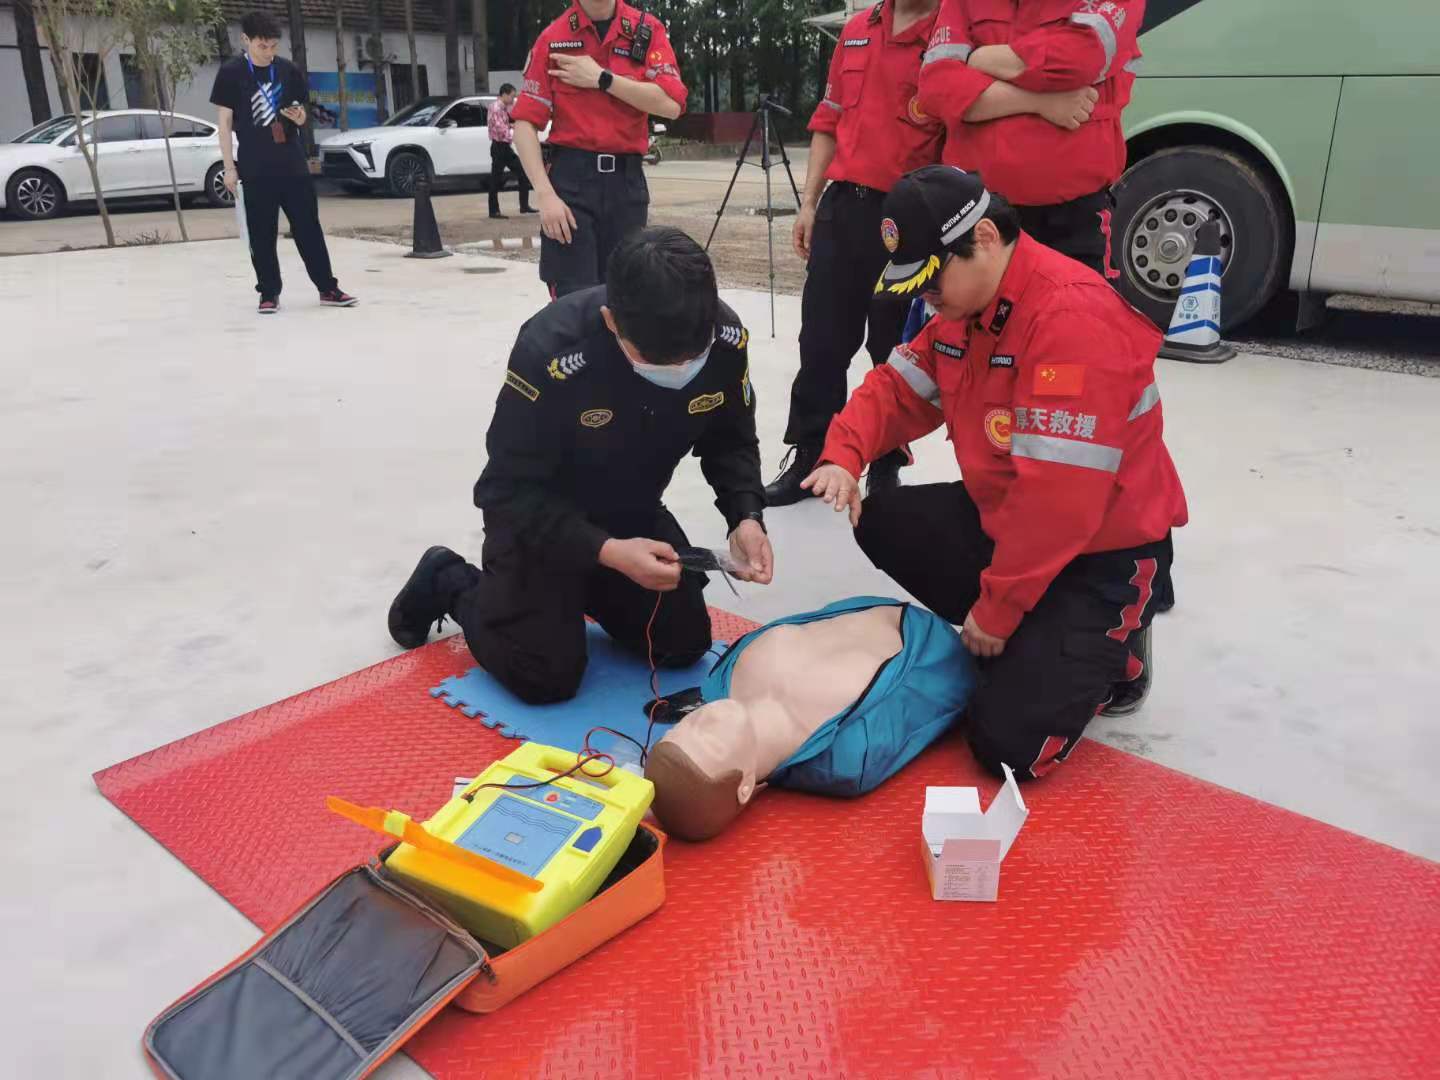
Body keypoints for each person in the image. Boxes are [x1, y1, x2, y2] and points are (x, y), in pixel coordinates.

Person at [803, 166, 1187, 780]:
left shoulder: (1070, 319)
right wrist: (843, 455)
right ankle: (1040, 634)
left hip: (1099, 552)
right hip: (1013, 519)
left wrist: (996, 610)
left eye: (933, 281)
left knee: (1008, 746)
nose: (926, 299)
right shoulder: (966, 307)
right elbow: (898, 389)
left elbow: (1060, 503)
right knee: (881, 520)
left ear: (983, 238)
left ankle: (1118, 646)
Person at [388, 227, 773, 704]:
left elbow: (731, 439)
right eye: (657, 361)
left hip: (630, 511)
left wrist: (745, 515)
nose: (679, 371)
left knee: (683, 644)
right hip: (542, 525)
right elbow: (504, 493)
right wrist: (605, 551)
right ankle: (450, 580)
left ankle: (582, 593)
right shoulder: (552, 351)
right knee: (544, 676)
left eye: (693, 358)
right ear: (612, 321)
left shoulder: (722, 338)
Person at [763, 0, 945, 508]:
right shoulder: (859, 29)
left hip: (908, 215)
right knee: (821, 340)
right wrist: (809, 202)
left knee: (894, 348)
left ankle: (885, 460)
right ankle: (811, 452)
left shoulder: (950, 31)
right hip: (843, 206)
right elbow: (829, 120)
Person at [646, 597, 973, 841]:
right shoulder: (848, 756)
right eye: (710, 741)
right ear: (744, 786)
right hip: (935, 642)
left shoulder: (723, 677)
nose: (702, 718)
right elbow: (932, 698)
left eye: (685, 726)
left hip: (882, 604)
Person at [916, 0, 1142, 276]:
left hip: (1072, 221)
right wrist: (1040, 103)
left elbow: (1079, 60)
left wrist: (980, 58)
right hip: (976, 213)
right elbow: (935, 88)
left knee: (1079, 303)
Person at [508, 0, 686, 298]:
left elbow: (672, 105)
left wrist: (603, 79)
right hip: (571, 186)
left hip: (626, 186)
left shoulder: (646, 31)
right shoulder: (553, 38)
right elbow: (525, 124)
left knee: (627, 295)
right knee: (573, 298)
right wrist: (545, 194)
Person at [210, 11, 356, 315]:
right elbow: (224, 124)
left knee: (308, 227)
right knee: (262, 232)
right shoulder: (231, 72)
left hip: (292, 162)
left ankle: (327, 288)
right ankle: (268, 293)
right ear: (246, 40)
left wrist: (300, 118)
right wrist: (229, 168)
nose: (269, 52)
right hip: (255, 165)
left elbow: (302, 115)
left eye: (273, 46)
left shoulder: (288, 70)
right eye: (262, 46)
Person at [487, 83, 535, 220]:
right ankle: (493, 211)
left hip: (505, 147)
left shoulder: (503, 108)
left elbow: (504, 124)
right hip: (499, 147)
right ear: (505, 94)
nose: (513, 100)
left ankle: (524, 206)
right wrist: (516, 134)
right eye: (512, 96)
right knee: (495, 179)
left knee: (522, 172)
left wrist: (512, 126)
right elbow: (501, 129)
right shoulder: (496, 108)